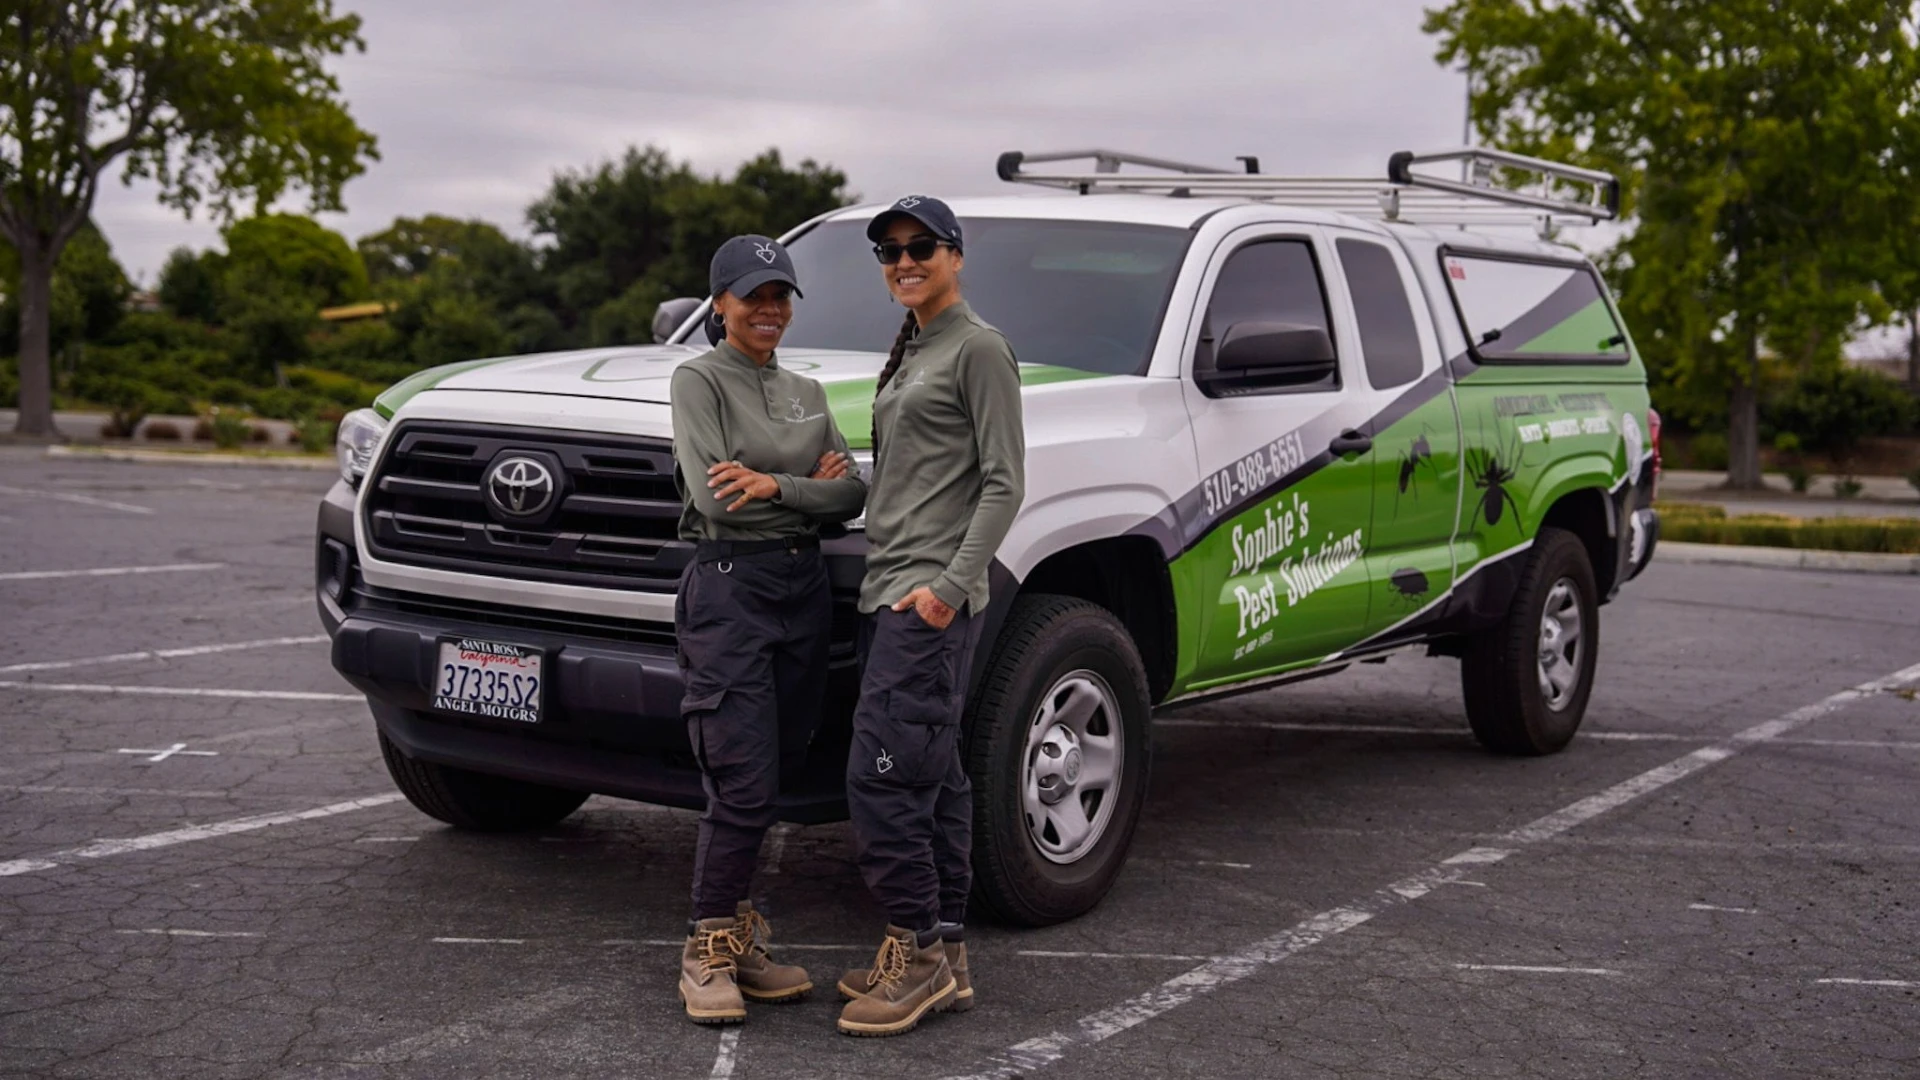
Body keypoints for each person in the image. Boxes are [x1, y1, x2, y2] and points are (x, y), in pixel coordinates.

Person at [836, 197, 1025, 1037]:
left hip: (927, 603)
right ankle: (944, 958)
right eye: (888, 251)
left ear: (955, 254)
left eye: (919, 247)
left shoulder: (978, 348)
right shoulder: (915, 345)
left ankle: (911, 957)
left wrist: (949, 586)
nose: (902, 261)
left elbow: (1003, 481)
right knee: (936, 779)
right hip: (892, 590)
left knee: (879, 781)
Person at [669, 234, 867, 1025]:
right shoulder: (698, 379)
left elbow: (853, 491)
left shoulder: (808, 391)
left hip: (803, 589)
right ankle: (705, 948)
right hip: (730, 589)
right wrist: (805, 484)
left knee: (777, 768)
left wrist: (773, 482)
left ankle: (742, 933)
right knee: (741, 779)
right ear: (719, 304)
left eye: (781, 295)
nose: (769, 310)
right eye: (753, 295)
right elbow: (719, 501)